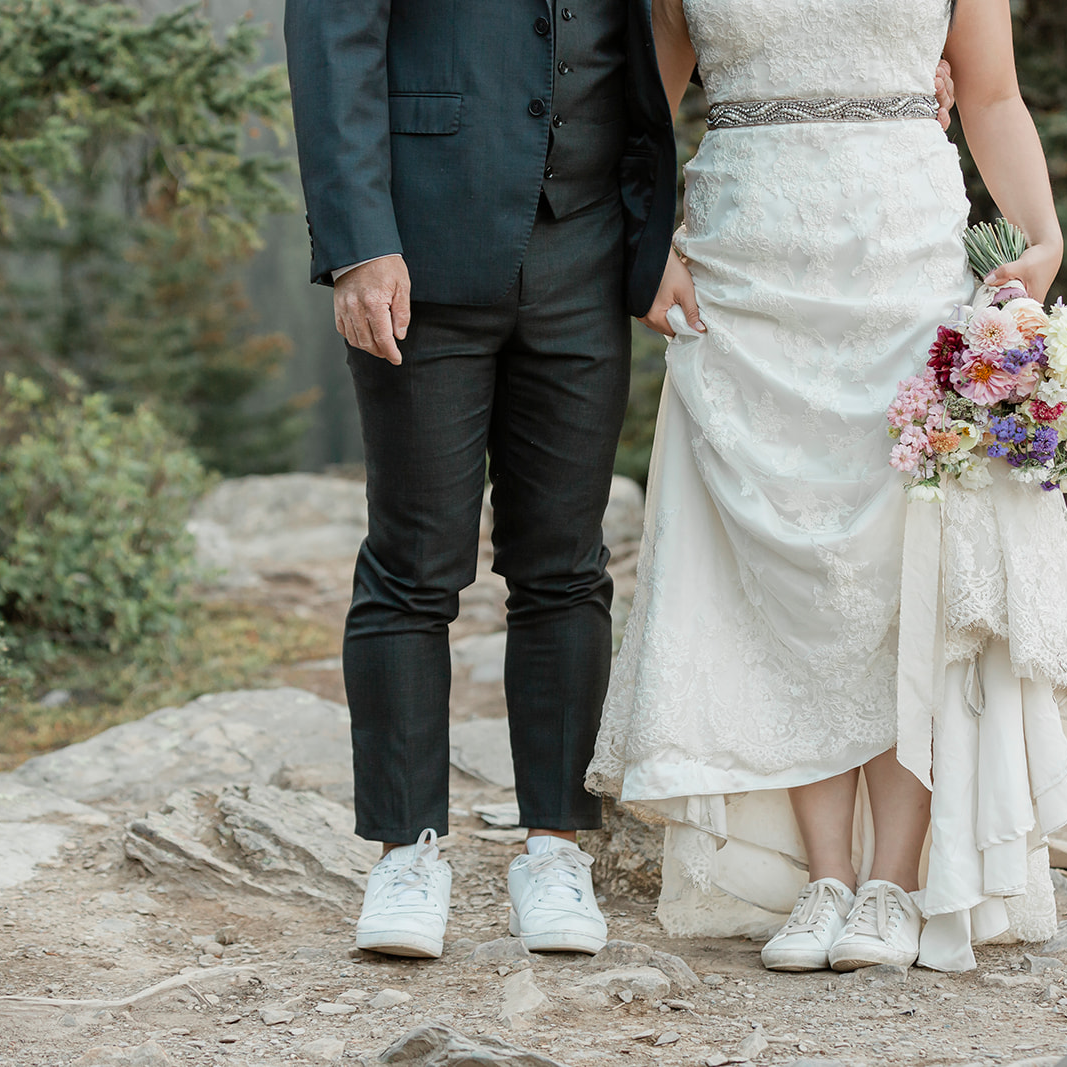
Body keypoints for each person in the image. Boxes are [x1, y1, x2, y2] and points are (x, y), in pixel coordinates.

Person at [587, 0, 1067, 973]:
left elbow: (989, 93)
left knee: (900, 567)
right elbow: (639, 107)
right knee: (789, 569)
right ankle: (824, 875)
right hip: (745, 263)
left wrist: (1040, 234)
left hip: (904, 259)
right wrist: (648, 246)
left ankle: (896, 881)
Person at [282, 0, 680, 958]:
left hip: (587, 251)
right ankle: (405, 853)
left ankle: (556, 849)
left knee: (566, 567)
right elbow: (333, 45)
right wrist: (357, 244)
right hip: (416, 246)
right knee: (415, 564)